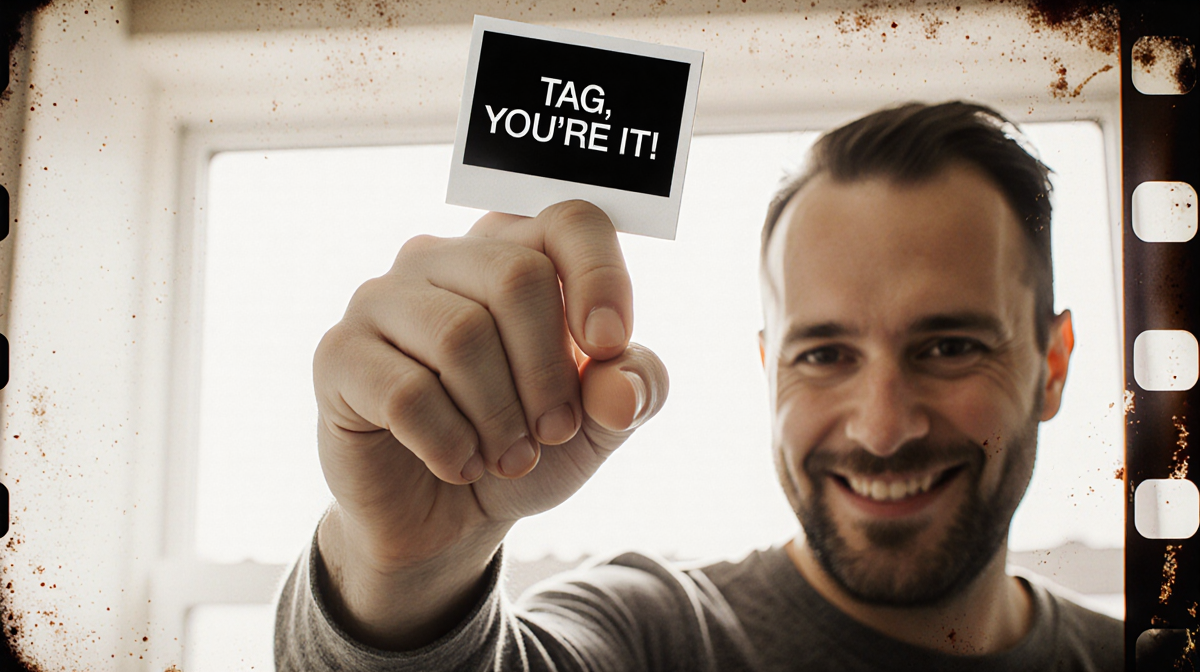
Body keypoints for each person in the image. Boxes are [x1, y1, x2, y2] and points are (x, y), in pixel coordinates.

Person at [275, 101, 1123, 670]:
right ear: (768, 370)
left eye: (947, 346)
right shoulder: (656, 637)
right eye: (824, 355)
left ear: (1052, 364)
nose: (881, 426)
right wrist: (404, 571)